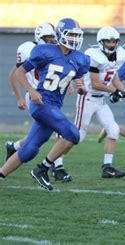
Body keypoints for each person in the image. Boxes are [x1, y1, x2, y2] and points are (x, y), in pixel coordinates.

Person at [0, 18, 90, 191]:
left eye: (76, 35)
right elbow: (19, 72)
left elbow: (76, 81)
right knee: (73, 134)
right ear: (61, 34)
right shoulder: (44, 51)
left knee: (29, 150)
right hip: (40, 103)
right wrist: (31, 91)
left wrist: (80, 89)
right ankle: (42, 169)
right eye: (70, 34)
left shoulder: (80, 59)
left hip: (54, 106)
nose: (74, 39)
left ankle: (1, 175)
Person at [56, 26, 125, 178]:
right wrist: (115, 92)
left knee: (113, 129)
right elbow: (95, 83)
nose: (111, 44)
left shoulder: (120, 55)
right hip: (88, 98)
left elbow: (114, 76)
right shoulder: (94, 56)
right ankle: (56, 164)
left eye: (113, 41)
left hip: (101, 100)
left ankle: (107, 167)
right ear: (101, 42)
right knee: (78, 135)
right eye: (108, 41)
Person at [5, 22, 73, 182]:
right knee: (60, 128)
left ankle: (14, 147)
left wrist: (69, 83)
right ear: (38, 37)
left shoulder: (56, 51)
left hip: (51, 97)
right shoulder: (28, 48)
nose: (50, 40)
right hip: (36, 96)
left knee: (41, 134)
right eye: (46, 37)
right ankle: (57, 168)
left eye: (52, 37)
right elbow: (14, 73)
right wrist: (20, 97)